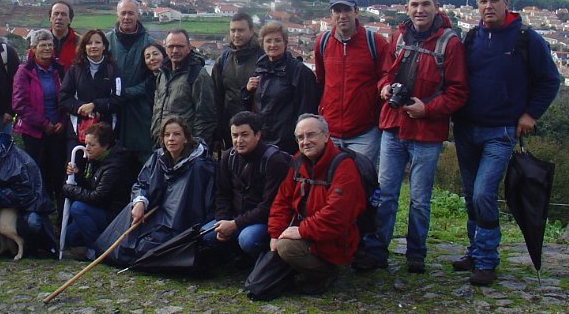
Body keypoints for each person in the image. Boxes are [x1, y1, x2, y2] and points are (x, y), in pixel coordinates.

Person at [353, 0, 468, 274]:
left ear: (436, 7)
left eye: (425, 4)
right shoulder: (399, 36)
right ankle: (377, 250)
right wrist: (384, 88)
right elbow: (385, 73)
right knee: (385, 194)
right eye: (415, 5)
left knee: (419, 199)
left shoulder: (449, 43)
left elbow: (458, 92)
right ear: (407, 8)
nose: (420, 10)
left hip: (427, 133)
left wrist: (427, 109)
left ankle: (416, 254)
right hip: (393, 126)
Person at [452, 0, 560, 286]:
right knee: (471, 196)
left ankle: (487, 260)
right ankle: (475, 251)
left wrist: (530, 114)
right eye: (483, 1)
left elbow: (550, 80)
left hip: (500, 131)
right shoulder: (471, 38)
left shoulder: (526, 39)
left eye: (494, 0)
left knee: (483, 193)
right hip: (466, 128)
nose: (488, 6)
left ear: (506, 4)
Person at [93, 116, 215, 267]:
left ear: (186, 139)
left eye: (177, 134)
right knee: (125, 227)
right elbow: (143, 182)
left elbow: (195, 205)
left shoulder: (199, 166)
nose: (171, 139)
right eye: (167, 135)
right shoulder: (159, 157)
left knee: (148, 247)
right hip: (154, 214)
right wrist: (140, 201)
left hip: (178, 223)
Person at [266, 114, 367, 294]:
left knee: (286, 247)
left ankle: (326, 272)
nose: (305, 142)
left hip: (334, 240)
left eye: (311, 135)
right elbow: (282, 201)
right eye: (300, 137)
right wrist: (275, 233)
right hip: (307, 231)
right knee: (265, 240)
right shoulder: (298, 162)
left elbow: (337, 215)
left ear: (326, 136)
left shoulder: (343, 166)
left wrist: (301, 231)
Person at [314, 0, 390, 165]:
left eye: (347, 10)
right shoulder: (322, 42)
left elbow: (386, 76)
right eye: (337, 10)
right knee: (328, 178)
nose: (342, 15)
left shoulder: (375, 42)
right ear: (331, 14)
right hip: (329, 131)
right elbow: (321, 80)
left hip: (364, 133)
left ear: (356, 11)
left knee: (359, 178)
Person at [204, 111, 291, 260]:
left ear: (257, 135)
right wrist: (223, 220)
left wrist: (235, 224)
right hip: (234, 216)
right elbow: (222, 194)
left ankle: (258, 258)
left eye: (244, 135)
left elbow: (269, 206)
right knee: (205, 235)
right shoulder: (228, 157)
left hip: (262, 221)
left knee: (247, 239)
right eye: (235, 135)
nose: (239, 140)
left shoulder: (274, 161)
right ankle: (233, 253)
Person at [59, 122, 137, 252]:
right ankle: (99, 240)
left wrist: (69, 189)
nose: (87, 148)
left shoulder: (114, 166)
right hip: (100, 208)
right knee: (71, 236)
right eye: (86, 144)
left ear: (105, 146)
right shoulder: (96, 159)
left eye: (92, 145)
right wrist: (77, 175)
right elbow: (92, 186)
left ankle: (99, 249)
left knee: (78, 208)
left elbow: (97, 197)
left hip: (114, 214)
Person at [244, 21, 319, 155]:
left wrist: (300, 141)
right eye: (268, 41)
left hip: (288, 144)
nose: (273, 45)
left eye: (277, 40)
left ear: (285, 43)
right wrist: (247, 91)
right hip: (262, 142)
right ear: (262, 44)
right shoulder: (260, 69)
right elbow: (252, 108)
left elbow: (306, 110)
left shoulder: (298, 71)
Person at [13, 29, 67, 208]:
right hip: (34, 133)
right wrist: (44, 124)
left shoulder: (60, 69)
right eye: (42, 45)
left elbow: (67, 97)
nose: (47, 49)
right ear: (33, 48)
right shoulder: (24, 72)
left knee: (59, 173)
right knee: (39, 173)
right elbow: (19, 104)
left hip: (58, 131)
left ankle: (61, 213)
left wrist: (62, 121)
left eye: (50, 45)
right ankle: (40, 211)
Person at [105, 0, 153, 164]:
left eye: (131, 13)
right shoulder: (105, 41)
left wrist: (128, 92)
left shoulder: (149, 44)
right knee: (111, 158)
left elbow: (154, 78)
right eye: (123, 13)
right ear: (117, 15)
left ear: (138, 15)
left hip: (140, 111)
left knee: (142, 160)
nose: (127, 17)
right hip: (111, 109)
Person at [151, 30, 217, 149]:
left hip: (186, 147)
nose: (175, 50)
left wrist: (195, 147)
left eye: (180, 46)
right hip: (162, 144)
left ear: (189, 48)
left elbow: (205, 117)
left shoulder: (198, 75)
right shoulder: (162, 74)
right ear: (166, 49)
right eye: (171, 46)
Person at [59, 29, 121, 153]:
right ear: (84, 47)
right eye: (89, 43)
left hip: (105, 133)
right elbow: (63, 97)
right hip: (77, 131)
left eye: (97, 42)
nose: (93, 46)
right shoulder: (75, 69)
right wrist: (81, 108)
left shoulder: (113, 70)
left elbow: (119, 98)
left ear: (104, 46)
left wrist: (95, 106)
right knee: (74, 164)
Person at [211, 13, 261, 150]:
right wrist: (217, 133)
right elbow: (216, 98)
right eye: (233, 30)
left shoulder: (262, 57)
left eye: (241, 30)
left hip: (256, 129)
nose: (236, 35)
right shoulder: (223, 59)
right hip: (230, 129)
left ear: (251, 30)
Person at [49, 0, 80, 72]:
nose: (59, 17)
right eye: (56, 14)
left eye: (63, 14)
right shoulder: (39, 42)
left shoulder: (80, 43)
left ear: (70, 20)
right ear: (50, 18)